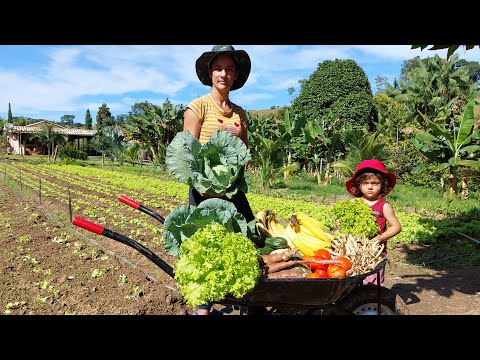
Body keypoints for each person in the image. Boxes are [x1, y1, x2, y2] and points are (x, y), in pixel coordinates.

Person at [183, 45, 258, 315]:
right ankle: (202, 308)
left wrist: (236, 167)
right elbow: (186, 152)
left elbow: (246, 153)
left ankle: (244, 301)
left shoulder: (239, 113)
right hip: (204, 192)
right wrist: (205, 185)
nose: (223, 73)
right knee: (203, 248)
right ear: (209, 72)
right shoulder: (198, 107)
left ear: (236, 75)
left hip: (232, 190)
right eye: (218, 68)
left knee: (247, 239)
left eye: (229, 69)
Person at [345, 159, 402, 286]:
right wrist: (341, 223)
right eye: (365, 183)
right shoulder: (354, 204)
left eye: (375, 183)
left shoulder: (384, 206)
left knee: (372, 284)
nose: (370, 187)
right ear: (359, 184)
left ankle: (372, 302)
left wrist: (379, 238)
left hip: (375, 252)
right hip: (354, 250)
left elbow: (396, 226)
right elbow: (340, 221)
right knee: (352, 280)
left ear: (383, 184)